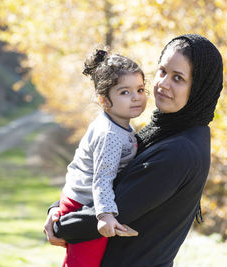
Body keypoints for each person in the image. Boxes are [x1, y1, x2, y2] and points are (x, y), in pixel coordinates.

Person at [43, 34, 223, 266]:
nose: (163, 84)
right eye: (162, 71)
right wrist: (56, 209)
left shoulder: (179, 151)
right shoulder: (165, 130)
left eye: (178, 78)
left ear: (199, 88)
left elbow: (113, 212)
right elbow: (102, 176)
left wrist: (58, 224)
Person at [57, 48, 147, 267]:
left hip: (83, 198)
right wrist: (104, 215)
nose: (136, 97)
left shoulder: (119, 123)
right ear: (105, 100)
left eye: (140, 89)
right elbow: (102, 177)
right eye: (124, 92)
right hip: (83, 204)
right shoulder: (110, 135)